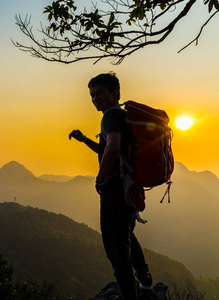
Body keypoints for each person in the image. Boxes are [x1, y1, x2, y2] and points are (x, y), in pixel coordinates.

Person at [69, 72, 152, 300]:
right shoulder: (122, 117)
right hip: (128, 189)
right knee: (126, 237)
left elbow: (113, 148)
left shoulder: (110, 117)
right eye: (92, 94)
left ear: (115, 94)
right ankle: (145, 283)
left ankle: (129, 294)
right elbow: (109, 150)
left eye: (100, 93)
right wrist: (86, 139)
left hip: (115, 192)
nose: (95, 98)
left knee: (116, 249)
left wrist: (99, 178)